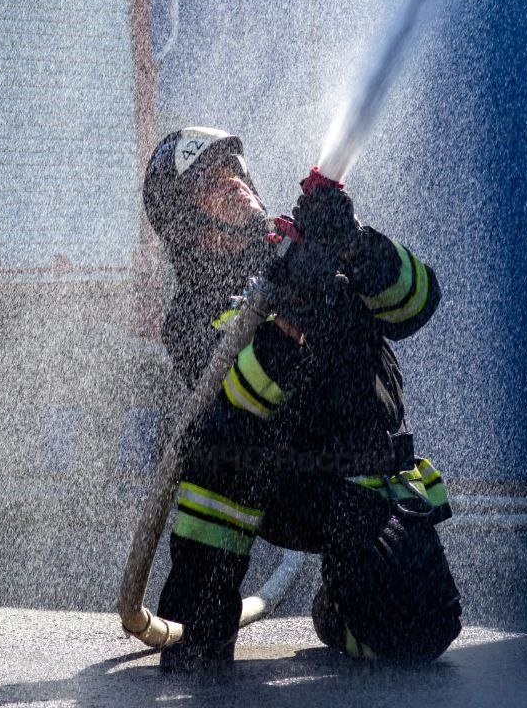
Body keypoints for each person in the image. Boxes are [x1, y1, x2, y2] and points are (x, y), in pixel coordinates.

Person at [143, 126, 462, 672]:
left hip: (365, 484)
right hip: (281, 486)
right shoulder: (194, 309)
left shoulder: (322, 248)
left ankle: (339, 607)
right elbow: (235, 392)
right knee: (216, 446)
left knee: (422, 634)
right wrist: (290, 313)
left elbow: (418, 303)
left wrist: (355, 244)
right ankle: (199, 629)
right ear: (186, 224)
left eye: (235, 171)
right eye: (211, 183)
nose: (235, 183)